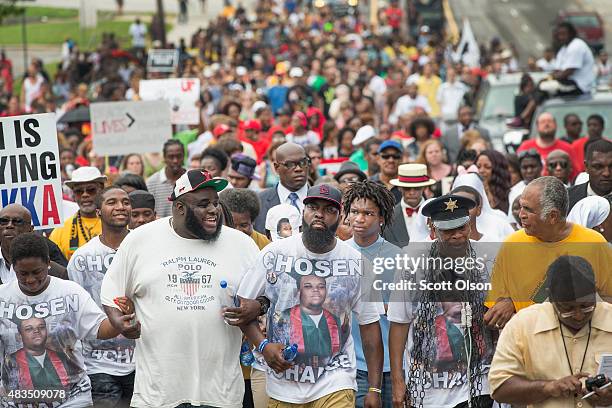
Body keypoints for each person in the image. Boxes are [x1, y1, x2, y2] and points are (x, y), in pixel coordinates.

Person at [100, 170, 262, 407]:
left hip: (221, 393)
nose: (213, 210)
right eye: (203, 204)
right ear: (180, 208)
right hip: (158, 394)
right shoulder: (141, 240)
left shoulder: (241, 244)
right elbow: (111, 291)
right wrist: (119, 321)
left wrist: (257, 307)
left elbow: (267, 296)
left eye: (216, 203)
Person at [237, 184, 384, 408]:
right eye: (313, 207)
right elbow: (242, 307)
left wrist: (374, 388)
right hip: (283, 383)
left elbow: (370, 326)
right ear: (303, 212)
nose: (319, 214)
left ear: (341, 216)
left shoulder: (358, 262)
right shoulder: (274, 254)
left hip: (336, 379)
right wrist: (264, 346)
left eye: (329, 210)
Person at [0, 233, 138, 406]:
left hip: (72, 399)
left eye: (37, 272)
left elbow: (99, 328)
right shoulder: (3, 297)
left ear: (48, 263)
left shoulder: (70, 292)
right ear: (13, 268)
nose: (31, 280)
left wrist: (123, 321)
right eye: (23, 273)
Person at [389, 194, 496, 408]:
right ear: (433, 229)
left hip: (477, 382)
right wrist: (398, 381)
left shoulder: (488, 257)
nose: (457, 235)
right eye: (448, 231)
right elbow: (399, 322)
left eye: (462, 228)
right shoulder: (412, 260)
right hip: (427, 388)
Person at [484, 176, 612, 330]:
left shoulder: (593, 243)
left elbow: (608, 297)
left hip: (580, 343)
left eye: (528, 210)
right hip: (529, 344)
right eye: (521, 207)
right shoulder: (511, 245)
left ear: (552, 216)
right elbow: (494, 305)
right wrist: (507, 302)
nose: (521, 215)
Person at [489, 256, 612, 407]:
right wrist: (548, 387)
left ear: (595, 290)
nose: (579, 316)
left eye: (586, 306)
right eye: (567, 309)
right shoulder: (523, 325)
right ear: (550, 295)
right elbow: (500, 388)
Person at [67, 187, 135, 407]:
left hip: (143, 362)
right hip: (98, 366)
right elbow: (75, 314)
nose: (120, 207)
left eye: (125, 202)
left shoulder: (145, 249)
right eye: (112, 202)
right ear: (98, 211)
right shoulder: (81, 259)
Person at [343, 180, 400, 407]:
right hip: (349, 364)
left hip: (390, 364)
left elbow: (405, 314)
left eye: (368, 213)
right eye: (354, 212)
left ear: (381, 218)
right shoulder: (338, 254)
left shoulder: (397, 257)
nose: (359, 218)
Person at [0, 204, 67, 283]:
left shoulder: (56, 269)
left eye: (17, 221)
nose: (9, 225)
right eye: (4, 221)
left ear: (30, 229)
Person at [50, 166, 106, 260]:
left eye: (91, 190)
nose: (85, 195)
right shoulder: (59, 232)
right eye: (79, 191)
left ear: (102, 190)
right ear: (74, 195)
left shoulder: (116, 224)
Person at [253, 143, 310, 233]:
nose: (298, 169)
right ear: (276, 167)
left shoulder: (321, 199)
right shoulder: (259, 202)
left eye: (303, 163)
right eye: (290, 164)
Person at [383, 164, 436, 248]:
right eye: (407, 188)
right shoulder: (388, 217)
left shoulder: (436, 215)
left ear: (424, 187)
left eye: (417, 188)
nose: (412, 192)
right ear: (400, 188)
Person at [451, 173, 515, 242]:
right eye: (458, 203)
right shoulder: (444, 231)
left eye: (468, 204)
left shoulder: (500, 222)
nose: (462, 210)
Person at [517, 112, 576, 180]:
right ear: (537, 127)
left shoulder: (567, 148)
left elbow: (574, 173)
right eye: (543, 122)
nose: (546, 124)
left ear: (556, 125)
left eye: (549, 121)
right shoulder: (525, 146)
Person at [146, 139, 186, 218]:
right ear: (164, 157)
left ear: (183, 156)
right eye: (171, 157)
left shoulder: (191, 179)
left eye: (179, 156)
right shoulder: (152, 183)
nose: (175, 160)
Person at [552, 22, 595, 95]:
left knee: (545, 89)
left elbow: (568, 72)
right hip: (569, 83)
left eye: (563, 34)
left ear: (571, 34)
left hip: (581, 86)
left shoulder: (576, 45)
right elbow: (557, 70)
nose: (561, 37)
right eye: (559, 34)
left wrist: (552, 77)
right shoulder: (563, 49)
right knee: (543, 85)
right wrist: (553, 76)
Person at [568, 140, 612, 210]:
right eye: (598, 167)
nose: (606, 173)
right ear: (586, 167)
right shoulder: (567, 198)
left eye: (611, 166)